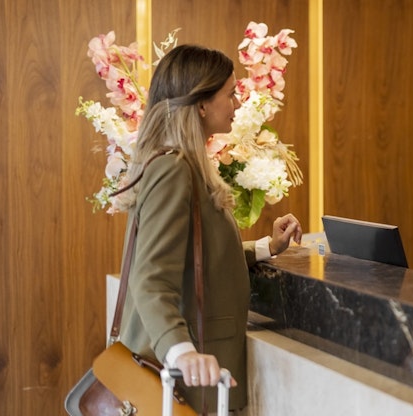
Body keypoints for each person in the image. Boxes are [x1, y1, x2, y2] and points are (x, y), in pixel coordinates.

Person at [115, 44, 303, 413]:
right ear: (201, 104)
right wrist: (182, 352)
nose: (238, 103)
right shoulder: (173, 170)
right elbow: (151, 277)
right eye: (231, 94)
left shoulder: (188, 166)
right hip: (183, 381)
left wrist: (267, 247)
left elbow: (201, 259)